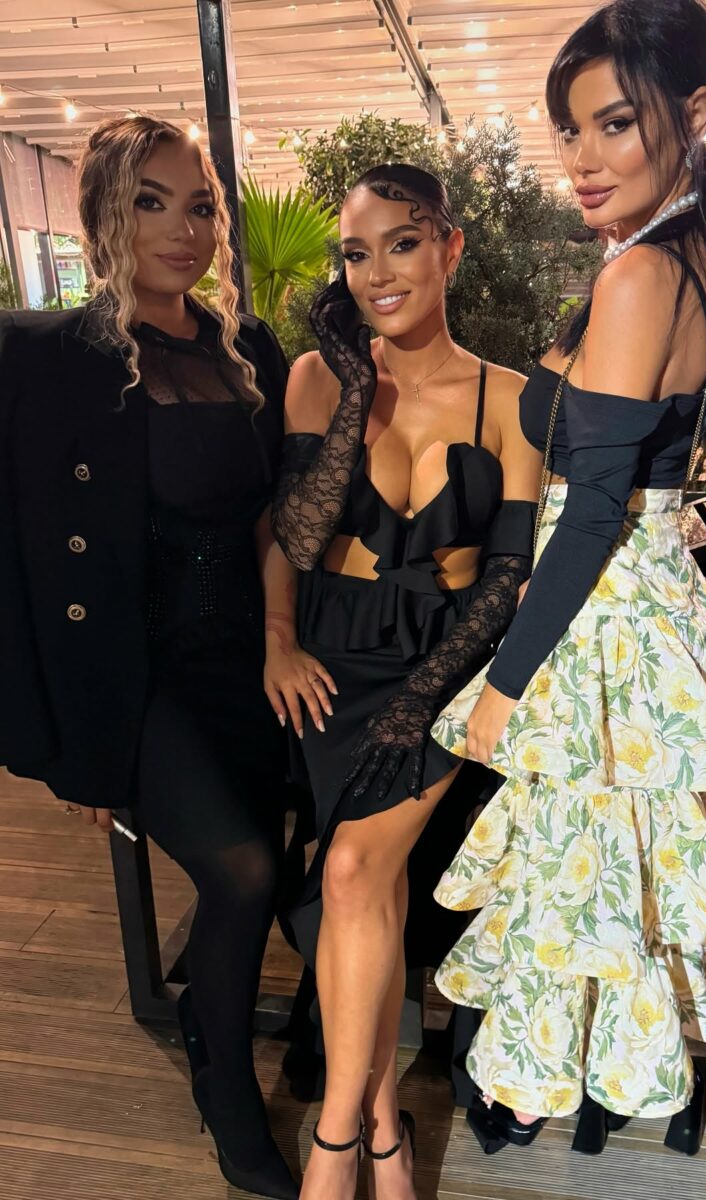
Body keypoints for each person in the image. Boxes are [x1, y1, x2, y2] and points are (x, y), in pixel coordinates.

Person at [429, 0, 706, 1154]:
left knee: (579, 869)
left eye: (614, 124)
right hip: (642, 598)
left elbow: (589, 510)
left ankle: (544, 1086)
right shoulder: (689, 257)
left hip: (601, 610)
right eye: (569, 129)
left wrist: (504, 686)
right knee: (620, 869)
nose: (582, 158)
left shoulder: (644, 275)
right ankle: (596, 1079)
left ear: (694, 113)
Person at [0, 115, 326, 1200]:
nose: (183, 230)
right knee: (244, 870)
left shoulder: (248, 348)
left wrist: (287, 638)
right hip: (135, 680)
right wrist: (71, 742)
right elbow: (17, 556)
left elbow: (275, 514)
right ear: (104, 211)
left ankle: (305, 1025)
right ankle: (222, 1077)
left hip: (250, 656)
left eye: (198, 207)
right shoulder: (45, 358)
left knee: (315, 838)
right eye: (151, 202)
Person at [270, 163, 541, 1200]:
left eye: (403, 243)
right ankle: (386, 1125)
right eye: (356, 252)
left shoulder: (511, 398)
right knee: (365, 889)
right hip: (331, 664)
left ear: (450, 248)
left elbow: (507, 576)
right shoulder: (316, 376)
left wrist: (427, 697)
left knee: (348, 874)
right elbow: (298, 538)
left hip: (446, 666)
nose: (378, 272)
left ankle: (335, 1143)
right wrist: (354, 394)